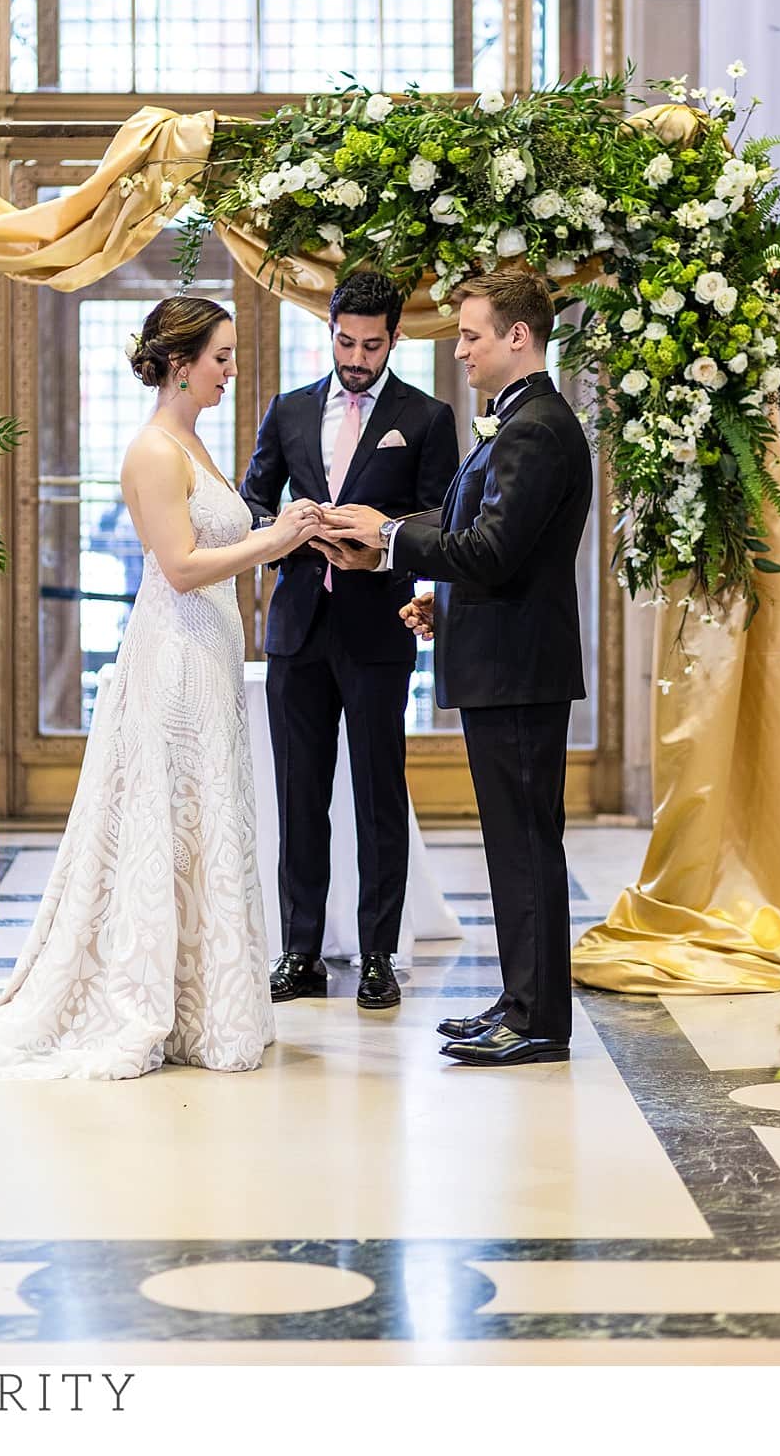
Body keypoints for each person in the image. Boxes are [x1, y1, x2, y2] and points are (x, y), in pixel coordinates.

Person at [0, 297, 324, 1078]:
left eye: (231, 355)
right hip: (173, 660)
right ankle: (150, 1000)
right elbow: (179, 566)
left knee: (207, 815)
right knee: (167, 819)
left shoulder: (192, 443)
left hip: (208, 654)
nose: (231, 371)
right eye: (221, 357)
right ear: (179, 363)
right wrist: (275, 540)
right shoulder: (153, 452)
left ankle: (204, 1000)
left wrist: (283, 525)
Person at [324, 267, 592, 1065]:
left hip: (519, 670)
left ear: (518, 336)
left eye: (472, 335)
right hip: (504, 656)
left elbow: (495, 548)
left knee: (524, 843)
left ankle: (538, 1018)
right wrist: (448, 602)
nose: (462, 350)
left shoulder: (537, 426)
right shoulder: (517, 421)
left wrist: (389, 535)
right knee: (512, 840)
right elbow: (504, 554)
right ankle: (521, 1000)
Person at [241, 270, 459, 1010]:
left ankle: (377, 956)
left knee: (376, 794)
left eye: (371, 344)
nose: (356, 356)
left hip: (377, 629)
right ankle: (299, 952)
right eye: (345, 340)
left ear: (396, 337)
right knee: (301, 793)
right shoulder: (289, 410)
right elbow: (251, 498)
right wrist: (287, 530)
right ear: (329, 330)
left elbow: (441, 517)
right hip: (297, 626)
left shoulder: (426, 417)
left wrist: (380, 535)